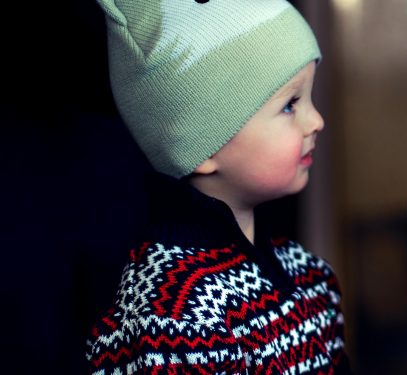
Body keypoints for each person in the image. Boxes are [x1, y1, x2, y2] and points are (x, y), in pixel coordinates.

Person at [86, 0, 351, 373]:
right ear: (201, 145)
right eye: (290, 105)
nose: (317, 121)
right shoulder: (171, 320)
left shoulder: (309, 275)